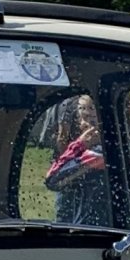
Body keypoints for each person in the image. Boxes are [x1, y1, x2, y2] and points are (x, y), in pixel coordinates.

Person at [43, 95, 109, 226]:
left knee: (64, 219)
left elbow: (52, 180)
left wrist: (80, 145)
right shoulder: (125, 151)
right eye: (82, 110)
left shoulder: (94, 154)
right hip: (111, 227)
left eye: (91, 112)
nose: (86, 114)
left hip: (88, 226)